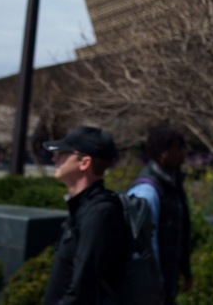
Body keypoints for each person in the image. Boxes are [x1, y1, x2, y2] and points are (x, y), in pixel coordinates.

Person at [42, 126, 129, 305]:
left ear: (84, 163)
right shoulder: (84, 208)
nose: (54, 158)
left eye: (62, 153)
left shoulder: (99, 213)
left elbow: (83, 285)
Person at [127, 126, 193, 305]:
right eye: (178, 149)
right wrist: (154, 286)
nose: (182, 155)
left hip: (166, 283)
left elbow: (180, 232)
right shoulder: (147, 191)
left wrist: (184, 270)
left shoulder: (173, 184)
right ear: (163, 153)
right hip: (151, 291)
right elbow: (145, 245)